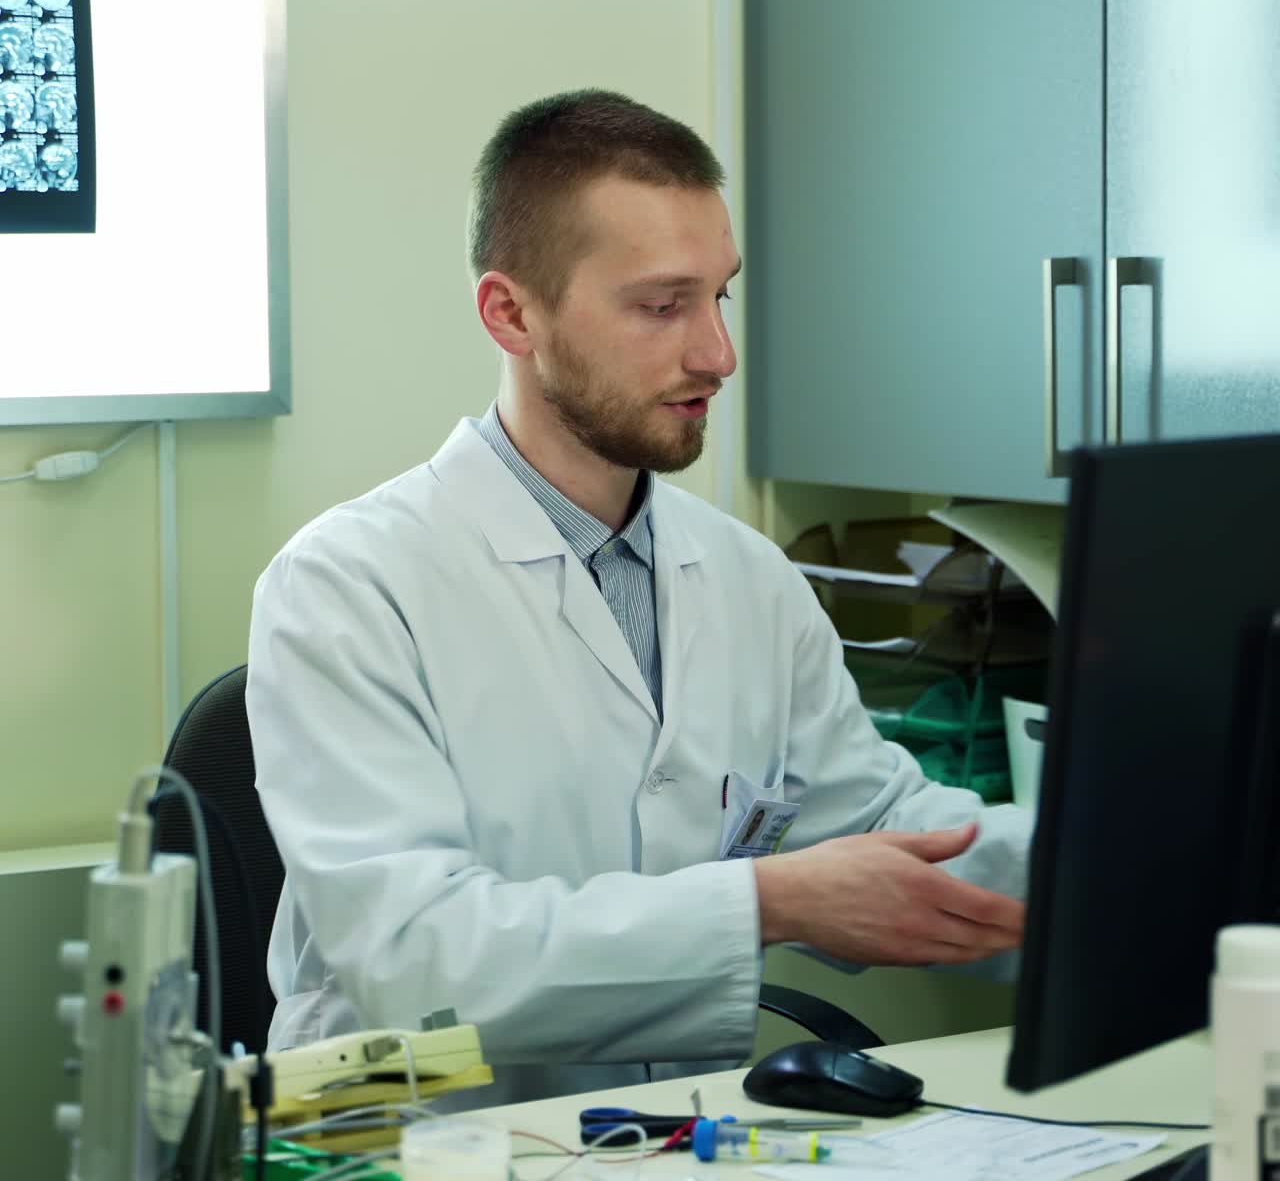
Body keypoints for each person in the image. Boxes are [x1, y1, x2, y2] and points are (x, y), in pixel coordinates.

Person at [246, 89, 1029, 1107]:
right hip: (404, 1129)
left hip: (664, 1129)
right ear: (510, 312)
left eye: (720, 297)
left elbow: (885, 826)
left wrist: (1156, 861)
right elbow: (417, 958)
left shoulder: (749, 578)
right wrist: (763, 900)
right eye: (663, 305)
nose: (716, 353)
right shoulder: (346, 587)